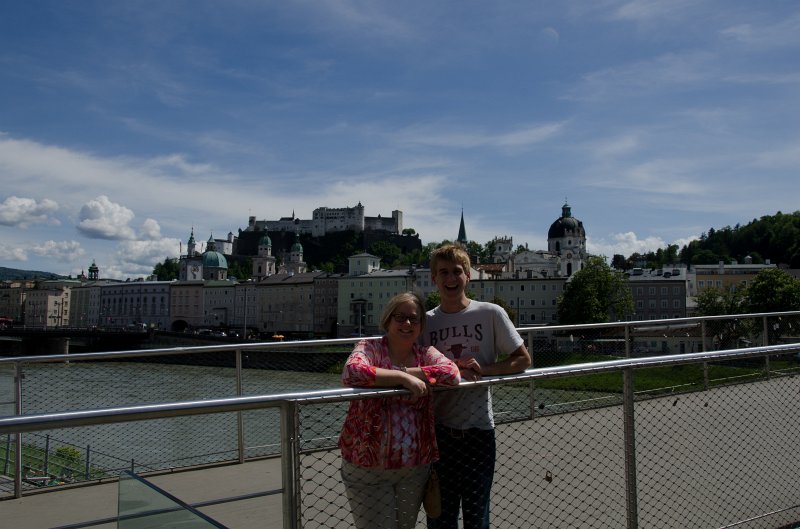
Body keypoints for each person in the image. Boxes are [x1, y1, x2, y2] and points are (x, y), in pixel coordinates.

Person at [423, 244, 532, 529]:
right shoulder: (425, 322)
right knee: (440, 518)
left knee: (476, 517)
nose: (450, 278)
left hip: (479, 431)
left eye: (457, 272)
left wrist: (486, 370)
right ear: (434, 278)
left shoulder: (490, 313)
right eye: (443, 272)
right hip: (438, 433)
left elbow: (522, 359)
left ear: (468, 276)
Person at [340, 291, 461, 529]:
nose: (407, 323)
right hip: (368, 465)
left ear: (421, 325)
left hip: (413, 467)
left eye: (413, 319)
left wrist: (405, 372)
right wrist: (400, 377)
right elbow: (351, 372)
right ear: (387, 320)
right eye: (400, 317)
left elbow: (452, 374)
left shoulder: (425, 353)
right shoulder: (370, 347)